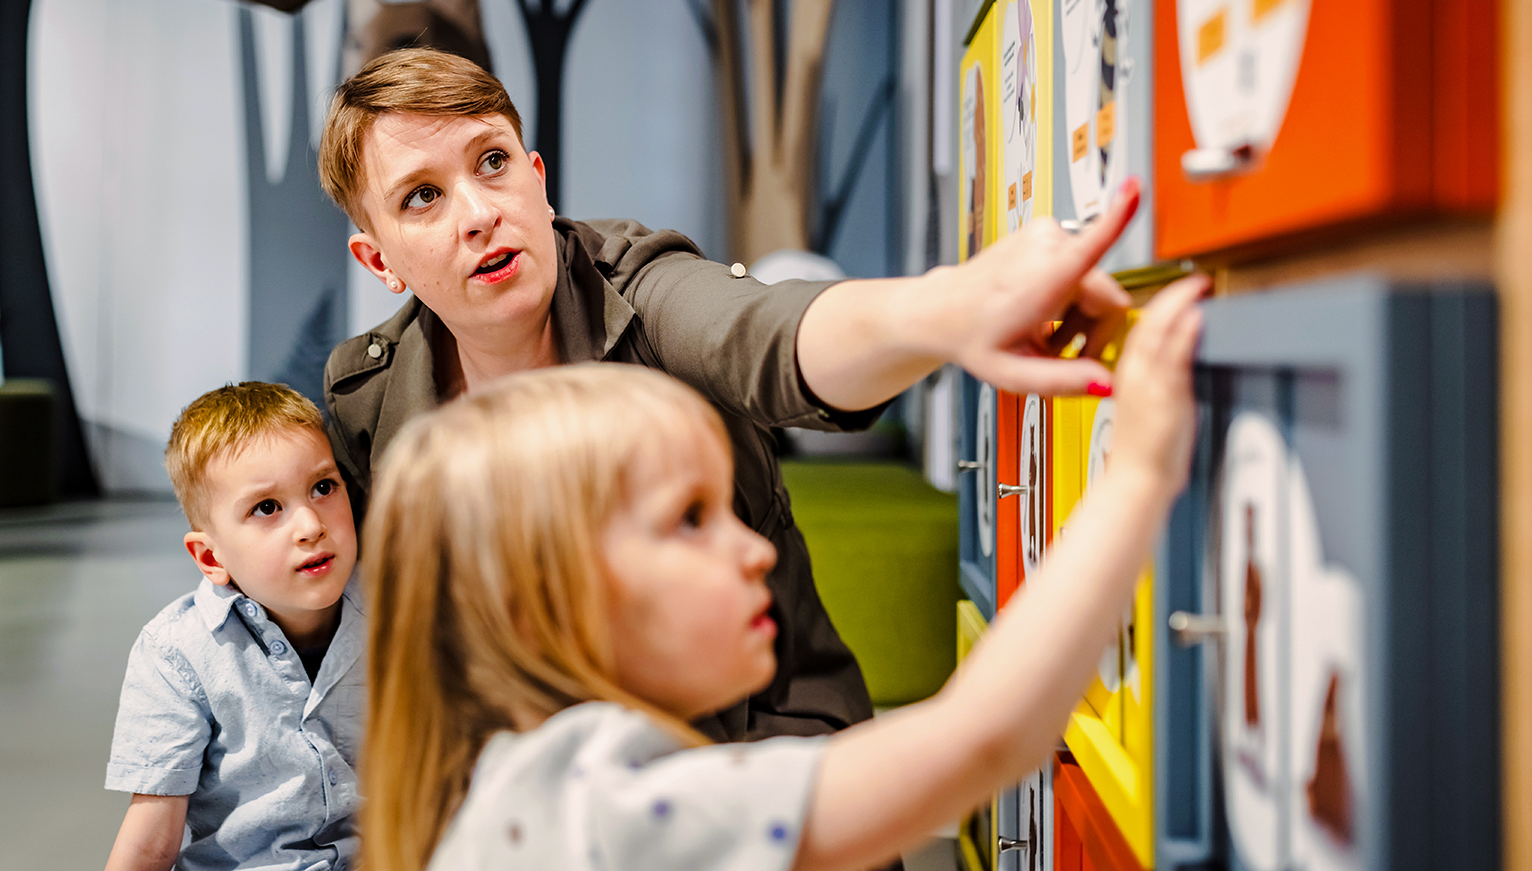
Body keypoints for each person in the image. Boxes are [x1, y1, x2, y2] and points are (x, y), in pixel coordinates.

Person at [318, 48, 1136, 743]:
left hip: (748, 754)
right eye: (421, 196)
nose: (478, 214)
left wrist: (949, 310)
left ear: (537, 179)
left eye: (491, 162)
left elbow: (768, 333)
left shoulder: (640, 291)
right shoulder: (372, 398)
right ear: (378, 260)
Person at [360, 272, 1207, 871]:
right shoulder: (599, 805)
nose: (757, 551)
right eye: (690, 520)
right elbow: (981, 738)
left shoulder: (520, 787)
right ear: (542, 598)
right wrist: (1138, 474)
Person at [103, 383, 365, 871]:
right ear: (210, 556)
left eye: (323, 487)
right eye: (266, 507)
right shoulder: (174, 654)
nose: (310, 524)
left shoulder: (401, 616)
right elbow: (150, 844)